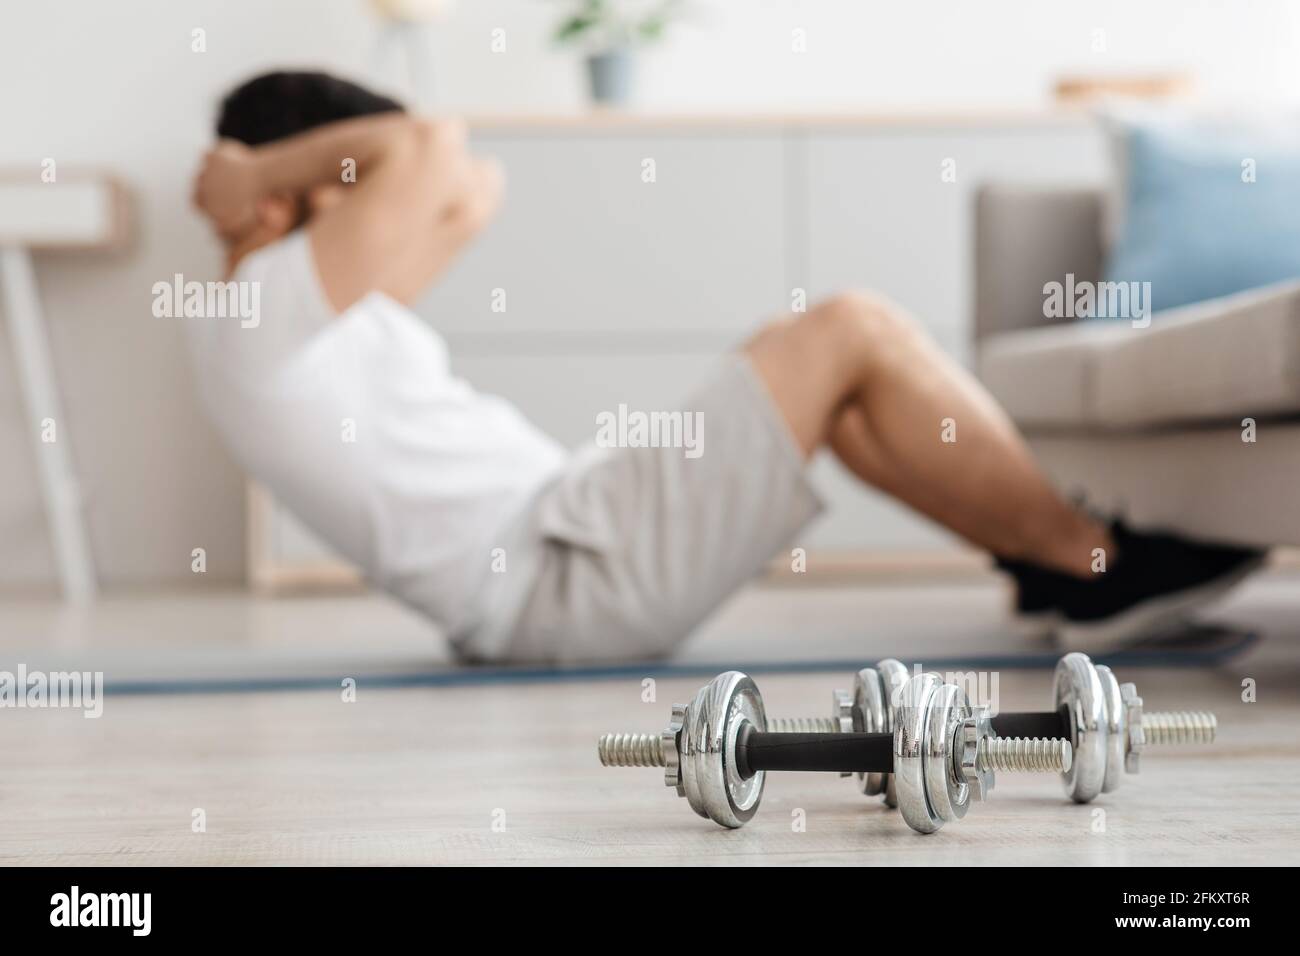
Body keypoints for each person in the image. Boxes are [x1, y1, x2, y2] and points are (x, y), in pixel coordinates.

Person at [189, 70, 1261, 663]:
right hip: (563, 578)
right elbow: (425, 151)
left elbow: (469, 179)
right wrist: (252, 173)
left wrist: (282, 175)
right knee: (850, 327)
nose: (375, 198)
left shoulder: (297, 317)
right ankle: (1097, 562)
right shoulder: (258, 309)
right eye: (344, 177)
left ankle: (1051, 567)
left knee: (848, 397)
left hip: (570, 536)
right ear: (283, 199)